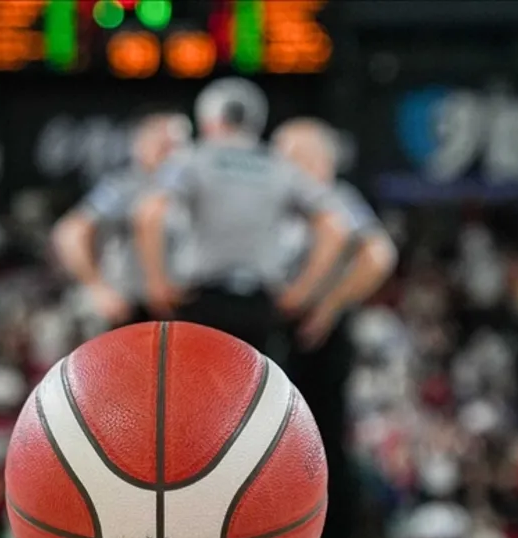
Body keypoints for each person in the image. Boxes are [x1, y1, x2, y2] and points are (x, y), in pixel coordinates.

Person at [133, 78, 351, 356]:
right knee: (258, 394)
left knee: (199, 392)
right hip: (261, 304)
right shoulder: (279, 165)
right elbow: (335, 224)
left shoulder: (193, 159)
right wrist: (303, 289)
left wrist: (156, 281)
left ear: (209, 119)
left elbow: (149, 213)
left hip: (201, 299)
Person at [272, 118, 398, 538]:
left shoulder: (335, 199)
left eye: (296, 156)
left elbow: (379, 256)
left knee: (322, 442)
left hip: (320, 336)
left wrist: (328, 305)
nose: (285, 165)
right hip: (278, 327)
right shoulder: (278, 202)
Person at [51, 110, 192, 328]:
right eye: (162, 145)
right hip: (129, 307)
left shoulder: (189, 189)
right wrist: (97, 288)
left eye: (176, 145)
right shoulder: (125, 187)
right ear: (141, 146)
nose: (171, 153)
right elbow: (71, 232)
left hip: (176, 306)